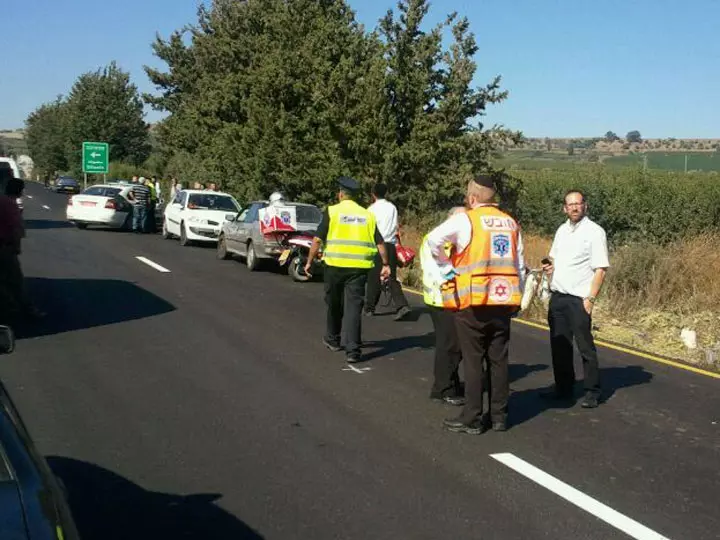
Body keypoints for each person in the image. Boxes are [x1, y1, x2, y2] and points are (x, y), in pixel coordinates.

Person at [427, 175, 525, 434]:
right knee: (499, 359)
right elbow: (520, 265)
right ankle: (499, 417)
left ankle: (472, 417)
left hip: (473, 301)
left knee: (473, 361)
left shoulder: (466, 219)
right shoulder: (511, 223)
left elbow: (433, 241)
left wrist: (447, 269)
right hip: (503, 301)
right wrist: (519, 298)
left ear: (472, 198)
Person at [304, 177, 390, 363]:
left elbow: (318, 240)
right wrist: (385, 264)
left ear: (341, 194)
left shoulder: (332, 211)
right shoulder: (367, 215)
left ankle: (333, 339)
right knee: (354, 308)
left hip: (334, 265)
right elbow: (380, 242)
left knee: (334, 303)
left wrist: (309, 261)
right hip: (358, 269)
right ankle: (353, 351)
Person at [541, 190, 609, 409]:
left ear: (585, 206)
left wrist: (590, 299)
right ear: (564, 208)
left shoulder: (595, 232)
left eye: (578, 204)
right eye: (570, 204)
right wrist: (549, 268)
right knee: (559, 345)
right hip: (558, 296)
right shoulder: (562, 230)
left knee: (585, 346)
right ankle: (563, 388)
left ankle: (592, 390)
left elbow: (600, 269)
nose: (574, 208)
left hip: (579, 300)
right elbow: (554, 257)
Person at [421, 207, 466, 406]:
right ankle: (444, 388)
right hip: (443, 298)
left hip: (441, 298)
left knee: (448, 343)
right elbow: (444, 270)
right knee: (450, 345)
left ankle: (450, 384)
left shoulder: (438, 237)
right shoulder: (441, 240)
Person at [364, 183, 411, 321]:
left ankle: (369, 307)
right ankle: (401, 305)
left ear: (373, 194)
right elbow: (396, 226)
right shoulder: (392, 208)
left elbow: (370, 228)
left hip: (377, 245)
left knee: (373, 277)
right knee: (390, 276)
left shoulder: (371, 210)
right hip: (390, 245)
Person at [0, 171, 39, 322]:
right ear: (20, 191)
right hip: (4, 248)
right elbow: (16, 229)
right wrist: (16, 247)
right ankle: (25, 310)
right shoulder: (10, 205)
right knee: (15, 281)